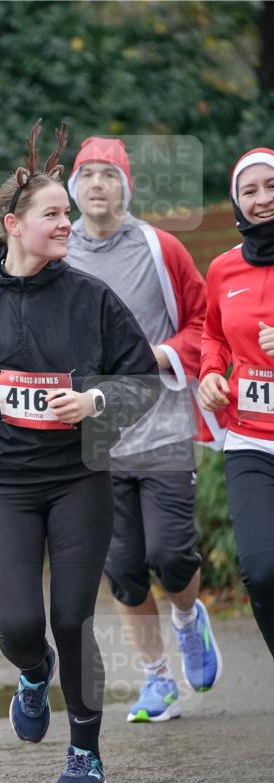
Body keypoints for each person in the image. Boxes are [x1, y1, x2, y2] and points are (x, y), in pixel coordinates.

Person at [0, 121, 160, 783]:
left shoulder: (88, 296)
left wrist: (92, 403)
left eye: (66, 213)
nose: (68, 224)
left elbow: (141, 378)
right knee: (21, 628)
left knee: (71, 619)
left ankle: (84, 751)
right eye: (54, 214)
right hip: (4, 482)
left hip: (78, 478)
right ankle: (32, 676)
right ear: (12, 225)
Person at [65, 136, 223, 723]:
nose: (97, 184)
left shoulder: (162, 248)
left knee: (170, 554)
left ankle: (188, 619)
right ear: (74, 188)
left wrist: (161, 354)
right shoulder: (59, 254)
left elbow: (206, 321)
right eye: (87, 175)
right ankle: (156, 682)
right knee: (124, 568)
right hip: (94, 434)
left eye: (109, 174)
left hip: (160, 424)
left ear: (125, 186)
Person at [199, 147, 274, 658]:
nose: (263, 198)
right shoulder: (223, 270)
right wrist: (208, 373)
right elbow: (213, 334)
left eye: (272, 186)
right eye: (250, 190)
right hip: (250, 438)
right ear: (236, 201)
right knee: (263, 569)